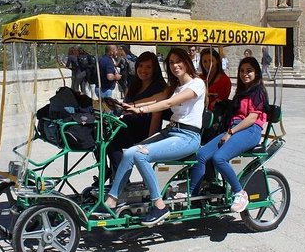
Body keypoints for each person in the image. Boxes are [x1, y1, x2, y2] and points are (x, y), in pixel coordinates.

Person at [104, 47, 205, 227]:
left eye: (178, 61)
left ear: (187, 62)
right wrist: (129, 105)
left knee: (141, 154)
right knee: (129, 153)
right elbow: (155, 97)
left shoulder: (197, 84)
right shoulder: (174, 86)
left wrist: (140, 110)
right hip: (172, 132)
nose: (175, 66)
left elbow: (167, 103)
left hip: (188, 137)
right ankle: (112, 200)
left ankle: (159, 206)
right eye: (171, 63)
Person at [189, 57, 269, 213]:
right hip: (234, 129)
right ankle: (192, 194)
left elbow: (252, 117)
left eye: (249, 71)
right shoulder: (242, 91)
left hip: (250, 130)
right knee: (201, 154)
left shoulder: (258, 92)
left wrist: (231, 132)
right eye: (242, 71)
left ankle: (240, 192)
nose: (244, 74)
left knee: (219, 158)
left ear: (257, 73)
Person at [105, 52, 167, 178]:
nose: (143, 70)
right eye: (141, 66)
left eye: (148, 67)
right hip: (128, 124)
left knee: (112, 141)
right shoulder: (134, 83)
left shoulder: (159, 86)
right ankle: (109, 172)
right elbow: (127, 107)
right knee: (101, 135)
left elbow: (157, 115)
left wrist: (149, 141)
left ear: (155, 69)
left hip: (144, 129)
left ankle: (120, 177)